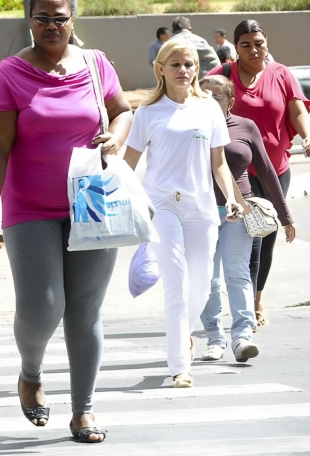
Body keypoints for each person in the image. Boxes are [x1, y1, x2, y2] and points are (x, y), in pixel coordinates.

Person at [0, 0, 133, 443]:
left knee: (85, 311)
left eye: (59, 17)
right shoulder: (10, 73)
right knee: (43, 307)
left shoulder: (95, 63)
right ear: (30, 19)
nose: (52, 26)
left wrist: (118, 136)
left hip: (91, 201)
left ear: (72, 19)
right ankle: (31, 372)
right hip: (29, 207)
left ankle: (83, 410)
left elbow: (122, 111)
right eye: (42, 17)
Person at [123, 39, 246, 390]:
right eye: (175, 64)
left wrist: (231, 198)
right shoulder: (147, 112)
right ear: (160, 68)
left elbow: (219, 163)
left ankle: (184, 338)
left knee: (202, 284)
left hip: (201, 207)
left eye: (189, 64)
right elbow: (129, 164)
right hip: (161, 205)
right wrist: (114, 196)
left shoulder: (208, 109)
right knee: (176, 283)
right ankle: (180, 364)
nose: (183, 70)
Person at [206, 20, 310, 327]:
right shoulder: (223, 75)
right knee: (247, 239)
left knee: (267, 234)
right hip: (236, 170)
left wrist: (307, 135)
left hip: (275, 168)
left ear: (266, 43)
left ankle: (256, 298)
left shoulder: (281, 74)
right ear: (235, 47)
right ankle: (244, 303)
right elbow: (195, 98)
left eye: (259, 43)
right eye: (246, 44)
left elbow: (297, 109)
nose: (254, 49)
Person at [197, 75, 294, 363]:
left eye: (215, 97)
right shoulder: (190, 128)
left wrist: (286, 216)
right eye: (203, 96)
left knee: (237, 273)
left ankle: (242, 337)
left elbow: (266, 170)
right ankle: (214, 339)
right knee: (208, 279)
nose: (209, 102)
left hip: (238, 211)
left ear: (230, 100)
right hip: (200, 214)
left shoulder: (245, 126)